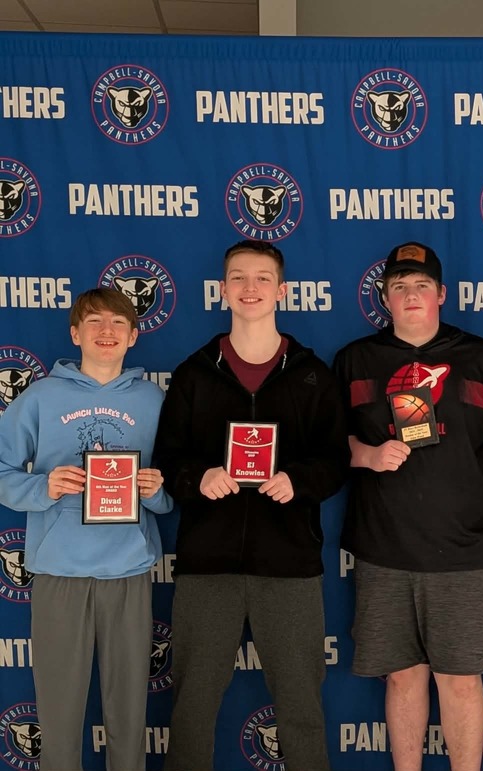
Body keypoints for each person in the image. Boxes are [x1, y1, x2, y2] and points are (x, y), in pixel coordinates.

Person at [154, 240, 349, 771]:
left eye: (263, 278)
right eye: (238, 277)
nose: (250, 288)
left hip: (289, 564)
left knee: (301, 706)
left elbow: (335, 459)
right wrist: (199, 477)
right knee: (192, 705)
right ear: (222, 290)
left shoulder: (311, 374)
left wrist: (298, 481)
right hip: (207, 564)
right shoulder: (195, 373)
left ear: (282, 291)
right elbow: (168, 457)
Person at [332, 241, 483, 771]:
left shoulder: (481, 358)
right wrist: (367, 455)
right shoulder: (355, 360)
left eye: (421, 285)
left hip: (464, 550)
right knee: (402, 677)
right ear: (384, 298)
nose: (410, 295)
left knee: (461, 680)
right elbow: (327, 444)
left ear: (441, 294)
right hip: (385, 546)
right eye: (399, 287)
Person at [0, 288, 172, 771]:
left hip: (128, 570)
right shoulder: (41, 396)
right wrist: (43, 487)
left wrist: (155, 492)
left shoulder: (154, 400)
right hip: (60, 570)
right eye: (94, 321)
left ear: (133, 336)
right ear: (75, 333)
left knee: (128, 712)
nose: (106, 331)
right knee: (58, 713)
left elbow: (175, 489)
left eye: (118, 322)